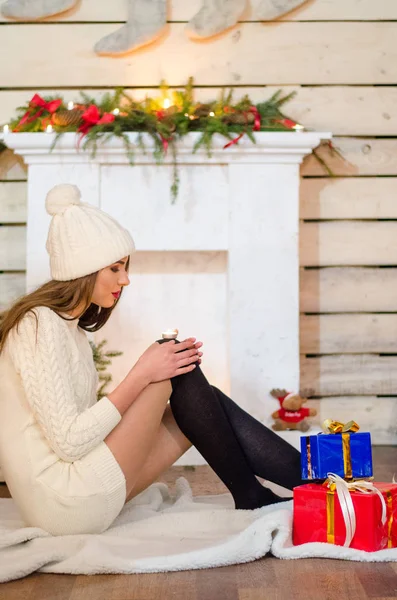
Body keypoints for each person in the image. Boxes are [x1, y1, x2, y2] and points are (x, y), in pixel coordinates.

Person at [0, 183, 303, 536]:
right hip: (65, 501)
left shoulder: (71, 330)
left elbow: (77, 429)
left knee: (203, 404)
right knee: (171, 368)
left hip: (76, 490)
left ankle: (274, 491)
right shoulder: (38, 325)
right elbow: (69, 443)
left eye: (125, 267)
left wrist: (153, 370)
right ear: (83, 270)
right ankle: (307, 484)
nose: (125, 280)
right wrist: (143, 374)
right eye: (114, 269)